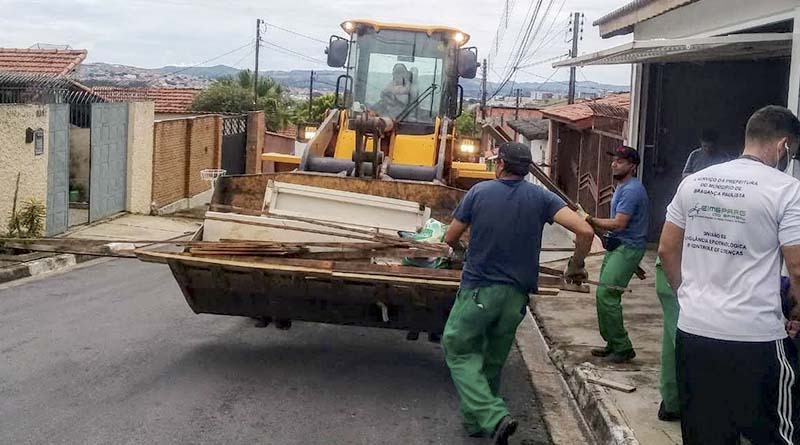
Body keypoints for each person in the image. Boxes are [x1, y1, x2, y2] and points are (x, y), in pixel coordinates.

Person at [659, 105, 800, 444]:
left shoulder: (694, 182)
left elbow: (666, 250)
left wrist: (688, 295)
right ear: (783, 146)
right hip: (756, 339)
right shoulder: (786, 189)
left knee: (706, 433)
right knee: (775, 432)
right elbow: (797, 266)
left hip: (694, 332)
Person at [442, 142, 595, 444]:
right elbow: (586, 231)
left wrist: (462, 248)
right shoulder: (541, 197)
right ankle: (478, 423)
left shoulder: (479, 193)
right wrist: (575, 267)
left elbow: (450, 236)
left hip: (479, 292)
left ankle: (494, 415)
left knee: (457, 348)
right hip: (515, 297)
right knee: (493, 359)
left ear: (500, 164)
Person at [657, 129, 734, 422]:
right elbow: (666, 251)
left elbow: (666, 249)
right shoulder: (705, 192)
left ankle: (673, 401)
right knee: (688, 342)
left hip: (676, 273)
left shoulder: (690, 198)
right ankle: (690, 404)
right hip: (684, 273)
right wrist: (681, 287)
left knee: (673, 338)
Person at [586, 146, 650, 363]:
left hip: (627, 246)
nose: (614, 164)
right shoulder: (623, 187)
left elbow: (619, 224)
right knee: (603, 293)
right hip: (620, 247)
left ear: (632, 166)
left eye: (620, 161)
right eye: (614, 160)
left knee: (607, 295)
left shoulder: (632, 190)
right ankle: (612, 342)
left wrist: (590, 220)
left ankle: (622, 347)